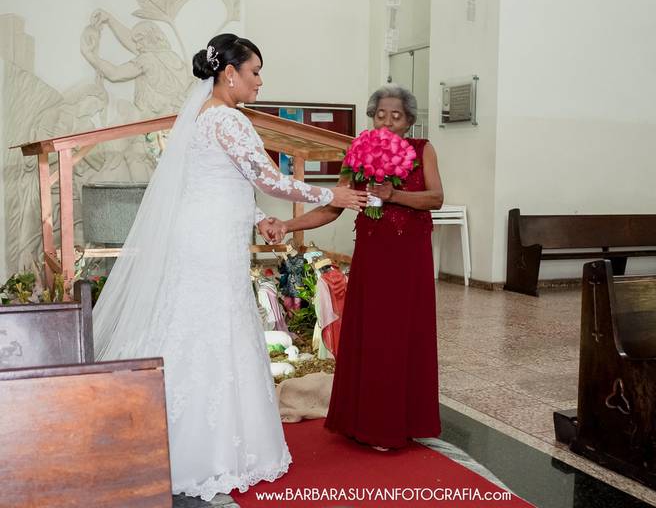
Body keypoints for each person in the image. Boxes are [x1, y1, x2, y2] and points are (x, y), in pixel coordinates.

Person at [92, 33, 367, 500]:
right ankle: (211, 452)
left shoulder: (202, 117)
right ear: (229, 73)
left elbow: (220, 183)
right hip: (211, 244)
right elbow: (268, 179)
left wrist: (260, 219)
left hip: (202, 235)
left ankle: (164, 438)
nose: (260, 82)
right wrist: (332, 194)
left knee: (193, 326)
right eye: (254, 72)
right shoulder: (228, 118)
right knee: (214, 328)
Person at [263, 83, 444, 450]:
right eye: (380, 115)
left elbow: (436, 198)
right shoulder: (357, 153)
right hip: (373, 258)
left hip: (410, 259)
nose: (387, 122)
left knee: (404, 335)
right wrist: (287, 225)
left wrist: (395, 195)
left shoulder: (423, 150)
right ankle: (367, 422)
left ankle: (404, 421)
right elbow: (333, 207)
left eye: (396, 116)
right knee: (374, 337)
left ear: (409, 121)